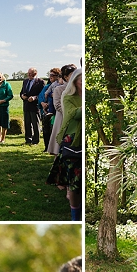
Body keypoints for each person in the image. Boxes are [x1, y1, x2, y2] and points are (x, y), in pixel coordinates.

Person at [46, 68, 83, 221]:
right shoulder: (67, 96)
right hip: (72, 142)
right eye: (82, 80)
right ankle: (75, 215)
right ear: (74, 81)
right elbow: (72, 114)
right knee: (74, 183)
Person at [47, 65, 75, 156]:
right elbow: (57, 105)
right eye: (72, 74)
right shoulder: (59, 89)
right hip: (62, 119)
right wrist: (71, 112)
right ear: (65, 77)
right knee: (60, 146)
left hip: (75, 121)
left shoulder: (78, 88)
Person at [20, 68, 45, 145]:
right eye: (28, 73)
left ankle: (35, 140)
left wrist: (35, 98)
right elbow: (21, 92)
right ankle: (28, 139)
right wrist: (22, 96)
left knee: (35, 124)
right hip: (26, 105)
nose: (29, 75)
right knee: (27, 124)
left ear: (35, 73)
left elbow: (42, 95)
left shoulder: (40, 82)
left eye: (31, 73)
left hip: (35, 106)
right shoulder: (25, 81)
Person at [40, 68, 61, 151]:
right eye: (50, 75)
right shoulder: (47, 86)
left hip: (55, 111)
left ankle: (53, 148)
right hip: (45, 110)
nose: (50, 77)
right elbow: (41, 96)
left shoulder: (59, 86)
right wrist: (42, 103)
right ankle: (46, 147)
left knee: (53, 130)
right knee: (46, 130)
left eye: (52, 75)